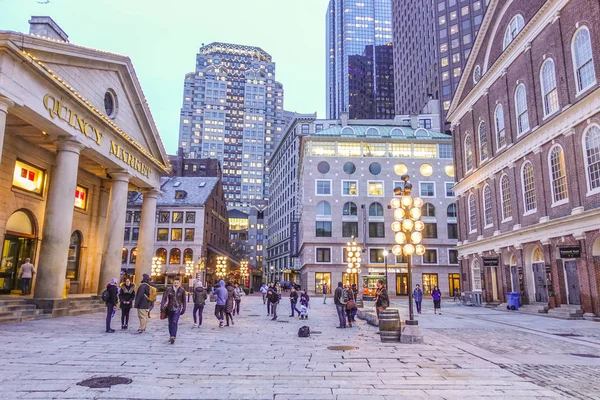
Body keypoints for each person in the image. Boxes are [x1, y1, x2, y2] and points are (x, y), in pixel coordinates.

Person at [160, 277, 186, 344]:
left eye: (177, 283)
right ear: (173, 283)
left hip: (177, 308)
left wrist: (184, 308)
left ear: (179, 283)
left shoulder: (182, 290)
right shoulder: (169, 289)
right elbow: (164, 298)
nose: (176, 284)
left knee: (174, 321)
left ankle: (173, 336)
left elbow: (184, 300)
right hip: (169, 308)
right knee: (170, 323)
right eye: (175, 283)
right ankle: (171, 335)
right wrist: (162, 307)